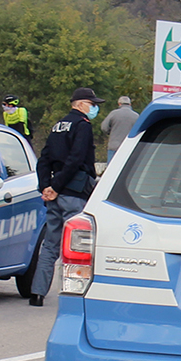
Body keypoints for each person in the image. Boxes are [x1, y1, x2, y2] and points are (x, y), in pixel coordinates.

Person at [28, 87, 106, 306]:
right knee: (77, 247)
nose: (94, 108)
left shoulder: (58, 126)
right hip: (74, 193)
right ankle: (75, 293)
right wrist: (58, 185)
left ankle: (37, 293)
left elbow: (43, 159)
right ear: (80, 104)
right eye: (92, 104)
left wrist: (47, 186)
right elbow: (76, 158)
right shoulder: (82, 126)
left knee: (51, 244)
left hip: (55, 194)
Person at [100, 95, 139, 161]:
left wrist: (111, 132)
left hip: (114, 147)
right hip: (129, 147)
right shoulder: (136, 116)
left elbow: (104, 127)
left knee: (112, 168)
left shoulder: (113, 113)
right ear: (130, 104)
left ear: (119, 104)